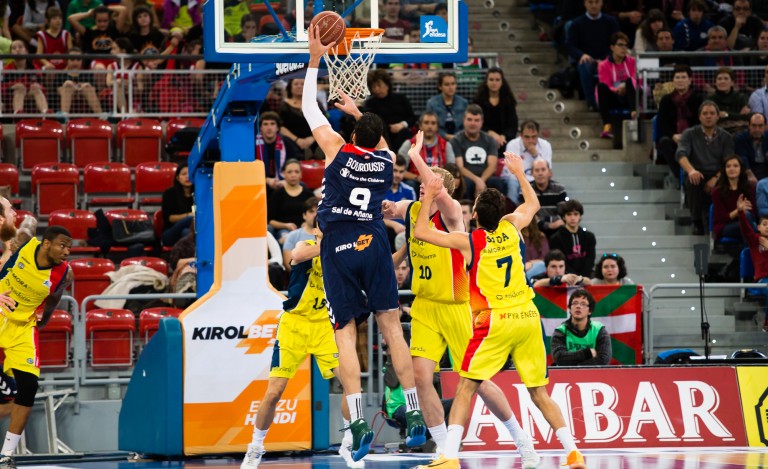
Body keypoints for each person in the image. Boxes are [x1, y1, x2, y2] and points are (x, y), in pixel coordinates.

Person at [296, 25, 426, 463]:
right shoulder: (387, 161)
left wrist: (315, 58)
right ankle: (412, 417)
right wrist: (358, 110)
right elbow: (383, 141)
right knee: (392, 329)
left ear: (352, 136)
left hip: (337, 246)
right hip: (373, 243)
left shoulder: (335, 149)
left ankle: (354, 421)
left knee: (345, 335)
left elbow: (307, 108)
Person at [412, 153, 586, 469]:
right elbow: (531, 204)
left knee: (465, 387)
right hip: (529, 317)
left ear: (475, 214)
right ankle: (573, 453)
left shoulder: (470, 241)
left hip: (495, 319)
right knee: (539, 393)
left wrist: (427, 200)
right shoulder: (511, 226)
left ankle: (449, 456)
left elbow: (422, 233)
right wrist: (520, 173)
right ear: (502, 213)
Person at [383, 136, 539, 468]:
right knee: (422, 377)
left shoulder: (453, 215)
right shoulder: (414, 209)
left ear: (442, 188)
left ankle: (521, 439)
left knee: (478, 382)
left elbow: (436, 193)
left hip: (458, 307)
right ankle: (443, 450)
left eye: (430, 184)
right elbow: (396, 208)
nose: (423, 187)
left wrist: (416, 157)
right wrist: (385, 208)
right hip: (425, 305)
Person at [240, 226, 361, 469]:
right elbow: (296, 256)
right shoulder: (306, 246)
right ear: (317, 230)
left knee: (351, 383)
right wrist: (332, 247)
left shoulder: (341, 256)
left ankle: (348, 443)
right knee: (274, 391)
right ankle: (255, 448)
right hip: (294, 325)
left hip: (324, 328)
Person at [0, 223, 73, 469]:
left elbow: (53, 299)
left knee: (29, 386)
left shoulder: (64, 273)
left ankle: (6, 455)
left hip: (22, 326)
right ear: (46, 243)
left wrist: (46, 319)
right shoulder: (23, 243)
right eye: (62, 245)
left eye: (69, 248)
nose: (66, 252)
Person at [676, 100, 735, 235]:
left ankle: (720, 223)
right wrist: (691, 170)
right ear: (699, 116)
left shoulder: (726, 137)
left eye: (712, 113)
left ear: (717, 116)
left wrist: (715, 178)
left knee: (726, 183)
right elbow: (681, 154)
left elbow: (728, 161)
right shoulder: (689, 134)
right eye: (705, 113)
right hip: (697, 172)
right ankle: (696, 221)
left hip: (718, 173)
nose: (708, 116)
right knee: (694, 180)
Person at [566, 0, 620, 111]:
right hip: (587, 59)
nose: (594, 5)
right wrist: (581, 55)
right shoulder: (576, 23)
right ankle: (592, 103)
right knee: (584, 65)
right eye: (590, 2)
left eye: (596, 2)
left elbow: (617, 43)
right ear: (585, 4)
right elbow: (570, 46)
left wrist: (607, 58)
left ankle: (614, 101)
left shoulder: (611, 21)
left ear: (602, 3)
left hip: (607, 58)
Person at [656, 64, 704, 178]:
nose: (680, 80)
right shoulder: (666, 100)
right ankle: (681, 176)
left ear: (690, 80)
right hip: (673, 137)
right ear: (672, 81)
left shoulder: (698, 98)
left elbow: (702, 121)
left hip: (693, 136)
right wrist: (673, 136)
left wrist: (688, 135)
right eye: (677, 77)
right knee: (664, 142)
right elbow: (662, 123)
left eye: (683, 77)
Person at [450, 104, 507, 200]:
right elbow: (460, 167)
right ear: (464, 120)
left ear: (482, 122)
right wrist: (477, 180)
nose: (473, 123)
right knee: (466, 183)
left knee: (498, 182)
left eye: (476, 120)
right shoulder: (456, 141)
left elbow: (492, 167)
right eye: (469, 119)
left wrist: (481, 181)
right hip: (467, 178)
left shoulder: (490, 140)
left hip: (485, 177)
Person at [550, 289, 612, 366]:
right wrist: (587, 353)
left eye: (583, 304)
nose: (578, 306)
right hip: (566, 376)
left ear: (590, 311)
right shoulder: (560, 331)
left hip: (592, 376)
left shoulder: (599, 330)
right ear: (570, 308)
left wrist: (574, 365)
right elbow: (559, 358)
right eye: (575, 303)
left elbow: (603, 360)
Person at [363, 69, 416, 152]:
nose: (376, 89)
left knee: (405, 133)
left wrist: (402, 125)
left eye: (379, 85)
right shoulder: (370, 103)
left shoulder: (401, 98)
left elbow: (412, 117)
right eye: (373, 87)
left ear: (387, 85)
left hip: (402, 134)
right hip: (382, 137)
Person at [398, 112, 455, 189]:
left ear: (437, 126)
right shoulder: (409, 144)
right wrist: (417, 178)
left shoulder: (446, 145)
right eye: (426, 123)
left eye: (433, 123)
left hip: (440, 183)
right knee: (410, 184)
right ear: (420, 126)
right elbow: (398, 169)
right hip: (417, 183)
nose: (430, 126)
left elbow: (451, 171)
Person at [596, 32, 637, 139]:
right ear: (612, 47)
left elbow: (636, 79)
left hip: (630, 96)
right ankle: (607, 126)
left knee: (629, 81)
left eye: (625, 45)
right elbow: (605, 83)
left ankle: (634, 116)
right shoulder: (603, 65)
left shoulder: (633, 61)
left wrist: (625, 86)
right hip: (615, 96)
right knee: (601, 87)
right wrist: (617, 89)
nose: (624, 48)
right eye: (620, 45)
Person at [502, 120, 553, 204]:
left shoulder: (546, 145)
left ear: (538, 135)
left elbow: (547, 170)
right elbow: (510, 171)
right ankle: (513, 211)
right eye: (527, 137)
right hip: (516, 179)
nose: (530, 141)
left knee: (543, 181)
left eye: (534, 137)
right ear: (521, 136)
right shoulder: (512, 145)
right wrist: (525, 180)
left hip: (536, 179)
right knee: (512, 182)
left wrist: (535, 155)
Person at [737, 195, 768, 332]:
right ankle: (767, 324)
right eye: (764, 224)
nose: (767, 227)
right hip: (763, 281)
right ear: (759, 227)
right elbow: (745, 229)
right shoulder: (755, 240)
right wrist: (740, 212)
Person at [266, 159, 315, 245]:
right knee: (286, 239)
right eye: (289, 172)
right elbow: (270, 221)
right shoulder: (277, 194)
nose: (293, 175)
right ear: (283, 174)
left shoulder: (308, 194)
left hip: (305, 229)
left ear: (301, 174)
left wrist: (307, 224)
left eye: (296, 172)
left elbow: (316, 215)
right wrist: (286, 225)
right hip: (284, 230)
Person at [711, 154, 756, 242]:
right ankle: (756, 252)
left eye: (735, 166)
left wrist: (743, 213)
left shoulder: (749, 188)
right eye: (728, 166)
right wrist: (738, 211)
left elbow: (753, 213)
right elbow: (721, 219)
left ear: (741, 169)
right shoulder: (717, 192)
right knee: (747, 224)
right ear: (724, 169)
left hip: (746, 222)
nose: (732, 169)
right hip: (725, 226)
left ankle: (751, 253)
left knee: (746, 221)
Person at [255, 112, 301, 195]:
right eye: (265, 124)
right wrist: (266, 180)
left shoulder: (287, 143)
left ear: (277, 128)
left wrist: (286, 180)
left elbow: (295, 164)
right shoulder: (253, 145)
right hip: (259, 183)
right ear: (260, 128)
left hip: (283, 183)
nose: (269, 128)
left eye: (272, 124)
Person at [472, 67, 518, 150]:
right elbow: (474, 122)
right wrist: (490, 133)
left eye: (497, 80)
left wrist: (503, 136)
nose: (494, 83)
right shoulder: (478, 101)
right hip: (482, 140)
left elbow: (513, 125)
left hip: (504, 141)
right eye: (491, 80)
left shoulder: (509, 101)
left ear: (502, 82)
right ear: (486, 82)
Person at [549, 199, 597, 278]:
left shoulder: (589, 237)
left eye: (576, 214)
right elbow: (560, 261)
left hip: (586, 277)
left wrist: (581, 278)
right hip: (566, 277)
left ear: (580, 216)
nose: (573, 218)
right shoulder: (555, 238)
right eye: (569, 214)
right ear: (564, 217)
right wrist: (574, 277)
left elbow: (590, 260)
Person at [2, 40, 48, 114]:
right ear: (10, 53)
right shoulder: (6, 70)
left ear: (26, 51)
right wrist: (12, 87)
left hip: (31, 96)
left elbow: (43, 87)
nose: (17, 50)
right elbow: (2, 89)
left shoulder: (34, 68)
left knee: (36, 88)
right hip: (12, 97)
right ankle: (18, 114)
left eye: (20, 47)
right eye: (14, 48)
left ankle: (46, 113)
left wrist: (36, 86)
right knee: (19, 88)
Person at [55, 47, 103, 115]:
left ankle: (101, 116)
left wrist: (85, 86)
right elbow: (56, 91)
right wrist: (69, 86)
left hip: (84, 96)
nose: (75, 62)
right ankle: (64, 116)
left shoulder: (87, 75)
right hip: (67, 94)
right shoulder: (61, 75)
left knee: (88, 87)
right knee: (68, 85)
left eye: (78, 59)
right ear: (67, 60)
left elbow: (95, 90)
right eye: (72, 59)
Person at [530, 159, 567, 239]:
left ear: (549, 172)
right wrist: (548, 225)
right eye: (537, 170)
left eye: (543, 169)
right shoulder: (526, 189)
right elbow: (527, 215)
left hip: (556, 229)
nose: (540, 173)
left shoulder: (559, 189)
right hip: (534, 230)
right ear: (531, 173)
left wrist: (541, 220)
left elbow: (562, 214)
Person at [425, 72, 468, 140]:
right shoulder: (432, 103)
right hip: (438, 139)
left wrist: (458, 137)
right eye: (447, 84)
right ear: (440, 86)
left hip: (460, 139)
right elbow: (429, 126)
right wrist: (446, 136)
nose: (451, 87)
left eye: (453, 84)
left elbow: (466, 125)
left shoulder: (463, 103)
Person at [708, 67, 750, 133]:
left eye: (726, 79)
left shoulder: (741, 97)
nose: (722, 81)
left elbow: (746, 117)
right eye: (719, 79)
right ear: (715, 82)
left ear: (732, 82)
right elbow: (713, 118)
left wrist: (726, 114)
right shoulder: (710, 99)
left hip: (739, 131)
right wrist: (737, 115)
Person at [282, 197, 318, 271]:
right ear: (304, 215)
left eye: (318, 211)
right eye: (311, 211)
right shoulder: (292, 236)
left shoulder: (328, 236)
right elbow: (288, 265)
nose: (315, 215)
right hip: (301, 278)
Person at [161, 163, 194, 247]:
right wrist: (188, 215)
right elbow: (169, 218)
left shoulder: (198, 193)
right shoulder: (170, 193)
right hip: (170, 233)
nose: (187, 176)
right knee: (191, 219)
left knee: (186, 232)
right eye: (183, 174)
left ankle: (187, 259)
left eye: (190, 173)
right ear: (177, 178)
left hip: (190, 232)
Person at [734, 113, 768, 182]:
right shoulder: (740, 138)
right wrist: (750, 174)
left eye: (760, 126)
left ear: (765, 126)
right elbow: (743, 157)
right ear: (749, 126)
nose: (757, 129)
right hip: (749, 168)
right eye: (754, 126)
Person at [36, 7, 71, 72]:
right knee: (49, 70)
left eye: (60, 18)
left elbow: (71, 54)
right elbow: (39, 55)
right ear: (47, 20)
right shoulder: (42, 35)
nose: (58, 21)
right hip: (49, 67)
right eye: (54, 18)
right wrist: (47, 63)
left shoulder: (66, 34)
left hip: (64, 67)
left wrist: (68, 67)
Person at [522, 218, 548, 283]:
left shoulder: (540, 236)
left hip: (537, 267)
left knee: (541, 265)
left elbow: (545, 258)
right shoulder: (515, 237)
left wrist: (531, 263)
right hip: (520, 268)